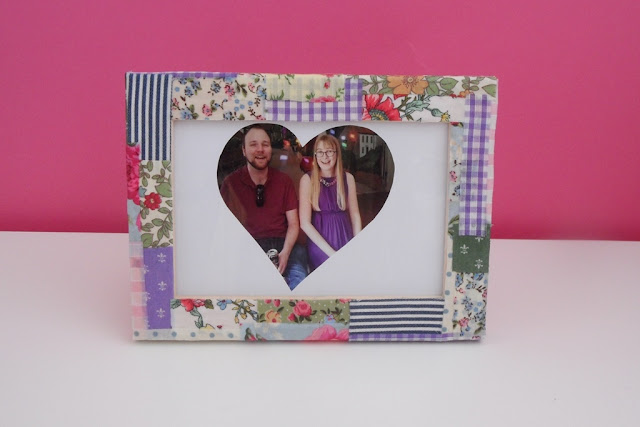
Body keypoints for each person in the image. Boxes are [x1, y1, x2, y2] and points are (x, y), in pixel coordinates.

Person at [220, 124, 307, 290]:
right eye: (253, 144)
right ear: (244, 150)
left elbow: (294, 224)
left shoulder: (284, 181)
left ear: (270, 150)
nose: (260, 149)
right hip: (249, 249)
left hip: (284, 246)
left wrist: (285, 253)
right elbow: (226, 232)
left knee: (299, 283)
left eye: (265, 144)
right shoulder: (231, 184)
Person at [299, 134, 362, 271]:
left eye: (329, 151)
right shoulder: (307, 180)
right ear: (315, 155)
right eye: (320, 152)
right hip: (320, 243)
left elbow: (355, 215)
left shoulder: (348, 178)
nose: (325, 157)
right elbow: (304, 223)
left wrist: (357, 245)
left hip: (345, 235)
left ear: (337, 154)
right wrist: (332, 254)